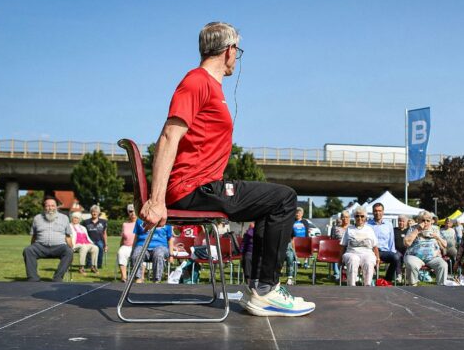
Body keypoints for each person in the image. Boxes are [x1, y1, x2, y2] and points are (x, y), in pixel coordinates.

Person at [138, 21, 314, 317]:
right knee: (284, 198)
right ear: (229, 50)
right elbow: (169, 136)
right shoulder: (196, 81)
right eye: (238, 51)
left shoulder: (209, 86)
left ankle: (258, 287)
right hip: (194, 188)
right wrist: (156, 200)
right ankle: (267, 291)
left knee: (269, 206)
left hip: (202, 185)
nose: (237, 57)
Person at [22, 196, 73, 282]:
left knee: (69, 251)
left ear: (57, 206)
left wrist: (71, 248)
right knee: (28, 250)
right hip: (40, 247)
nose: (50, 208)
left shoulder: (64, 218)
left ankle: (57, 278)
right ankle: (33, 278)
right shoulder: (37, 218)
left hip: (59, 247)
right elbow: (34, 236)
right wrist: (32, 246)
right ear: (44, 207)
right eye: (48, 206)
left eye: (53, 205)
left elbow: (67, 236)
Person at [403, 210, 447, 286]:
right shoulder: (413, 228)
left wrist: (438, 237)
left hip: (433, 257)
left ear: (431, 221)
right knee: (411, 264)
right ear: (418, 220)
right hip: (415, 256)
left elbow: (445, 245)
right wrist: (417, 230)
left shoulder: (436, 229)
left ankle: (441, 287)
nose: (425, 222)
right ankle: (413, 286)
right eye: (423, 220)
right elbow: (406, 243)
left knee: (443, 265)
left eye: (428, 220)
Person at [340, 206, 379, 286]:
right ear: (354, 217)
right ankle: (351, 285)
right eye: (357, 216)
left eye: (362, 216)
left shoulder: (369, 229)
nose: (359, 218)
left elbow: (375, 246)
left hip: (367, 253)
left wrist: (377, 258)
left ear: (365, 217)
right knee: (353, 259)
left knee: (369, 260)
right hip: (351, 252)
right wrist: (339, 259)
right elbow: (343, 246)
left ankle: (367, 285)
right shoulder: (349, 229)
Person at [368, 203, 401, 282]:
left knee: (396, 257)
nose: (377, 213)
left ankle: (387, 280)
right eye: (375, 211)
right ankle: (369, 280)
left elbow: (391, 241)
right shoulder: (367, 224)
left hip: (384, 252)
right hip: (370, 251)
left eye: (379, 211)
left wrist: (392, 252)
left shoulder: (389, 225)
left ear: (383, 212)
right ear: (373, 212)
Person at [117, 204, 137, 282]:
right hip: (126, 246)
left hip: (137, 246)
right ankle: (124, 277)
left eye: (135, 211)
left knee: (140, 253)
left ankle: (139, 277)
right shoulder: (125, 224)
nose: (133, 214)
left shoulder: (142, 223)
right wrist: (120, 247)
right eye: (131, 211)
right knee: (121, 252)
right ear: (128, 213)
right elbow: (123, 238)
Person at [84, 205, 108, 269]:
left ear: (98, 213)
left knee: (100, 251)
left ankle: (99, 265)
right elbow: (83, 232)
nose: (94, 213)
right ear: (91, 212)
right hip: (89, 240)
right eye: (93, 212)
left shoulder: (104, 222)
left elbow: (105, 233)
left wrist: (106, 245)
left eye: (96, 212)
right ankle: (88, 265)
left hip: (100, 240)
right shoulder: (86, 222)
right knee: (89, 253)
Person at [329, 211, 351, 280]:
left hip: (349, 249)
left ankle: (349, 274)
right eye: (343, 217)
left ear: (349, 218)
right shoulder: (336, 228)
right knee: (336, 252)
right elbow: (332, 240)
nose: (345, 219)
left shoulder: (352, 228)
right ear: (341, 218)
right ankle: (337, 274)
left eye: (347, 217)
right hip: (338, 249)